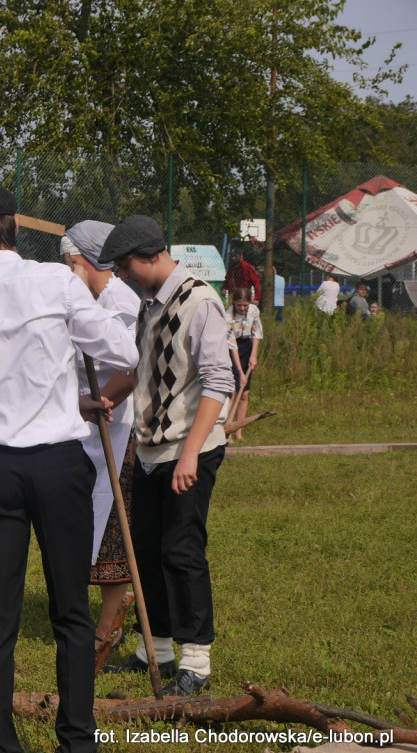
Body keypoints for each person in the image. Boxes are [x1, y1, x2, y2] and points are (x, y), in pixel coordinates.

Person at [0, 183, 137, 753]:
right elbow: (123, 349)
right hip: (58, 462)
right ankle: (76, 750)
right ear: (16, 227)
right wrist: (70, 387)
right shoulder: (57, 282)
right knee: (71, 610)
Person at [98, 215, 234, 698]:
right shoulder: (147, 306)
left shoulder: (200, 301)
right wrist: (101, 397)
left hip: (189, 452)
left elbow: (221, 382)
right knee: (149, 553)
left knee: (181, 551)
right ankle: (154, 651)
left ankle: (195, 661)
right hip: (152, 452)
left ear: (151, 256)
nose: (121, 275)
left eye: (125, 265)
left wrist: (192, 453)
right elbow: (139, 369)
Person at [61, 221, 139, 655]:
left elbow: (129, 370)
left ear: (85, 261)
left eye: (71, 263)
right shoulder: (96, 298)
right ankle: (102, 620)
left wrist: (97, 403)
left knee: (114, 529)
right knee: (97, 523)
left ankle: (109, 626)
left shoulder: (118, 300)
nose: (69, 271)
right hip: (96, 427)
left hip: (119, 428)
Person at [226, 286, 263, 441]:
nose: (242, 308)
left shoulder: (254, 311)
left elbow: (257, 332)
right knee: (233, 392)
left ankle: (239, 430)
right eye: (239, 305)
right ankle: (227, 430)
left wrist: (253, 355)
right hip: (232, 352)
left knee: (245, 393)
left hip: (247, 348)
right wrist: (240, 372)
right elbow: (232, 344)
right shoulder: (228, 316)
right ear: (234, 303)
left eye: (245, 305)